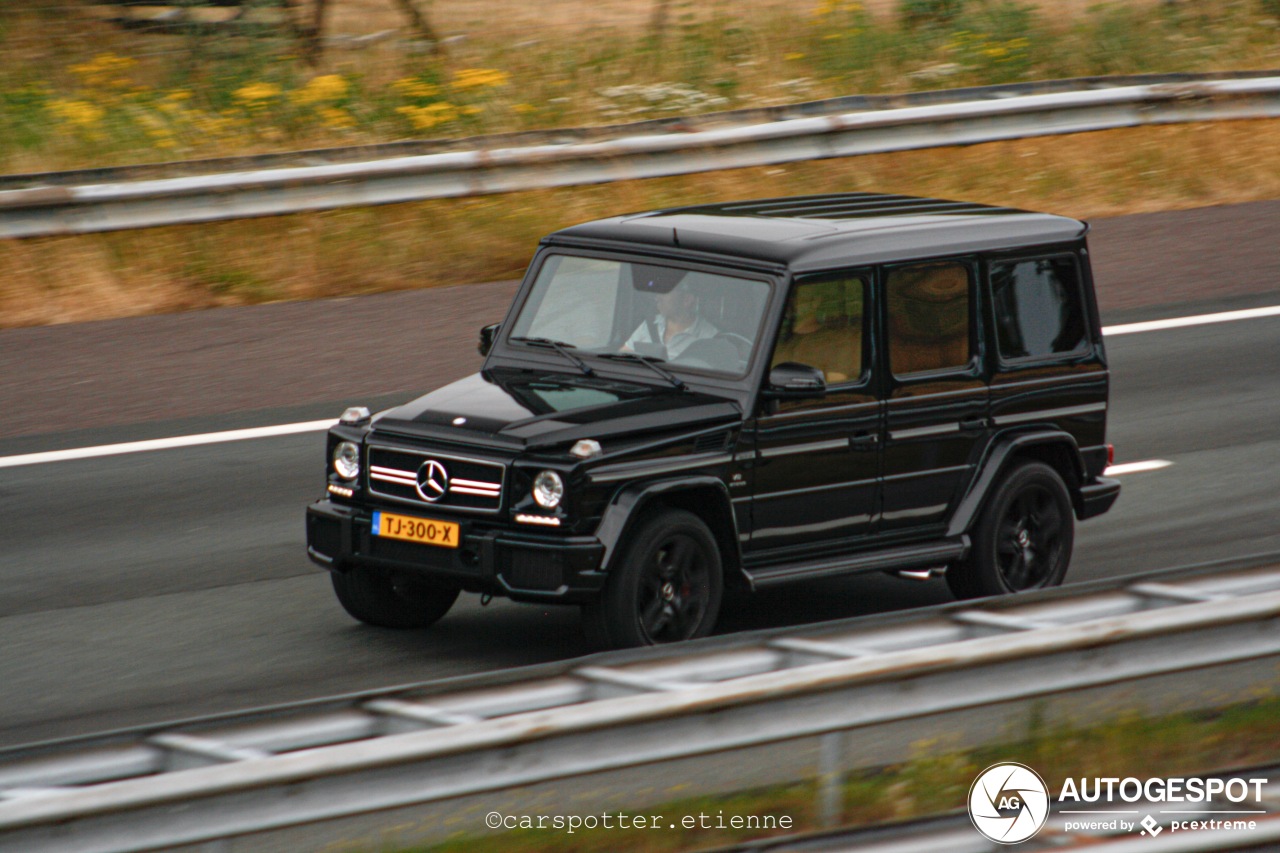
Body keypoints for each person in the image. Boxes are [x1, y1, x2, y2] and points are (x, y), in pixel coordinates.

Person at [622, 283, 718, 360]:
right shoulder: (650, 323)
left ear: (687, 300)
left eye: (665, 292)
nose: (657, 297)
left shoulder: (710, 337)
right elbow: (623, 356)